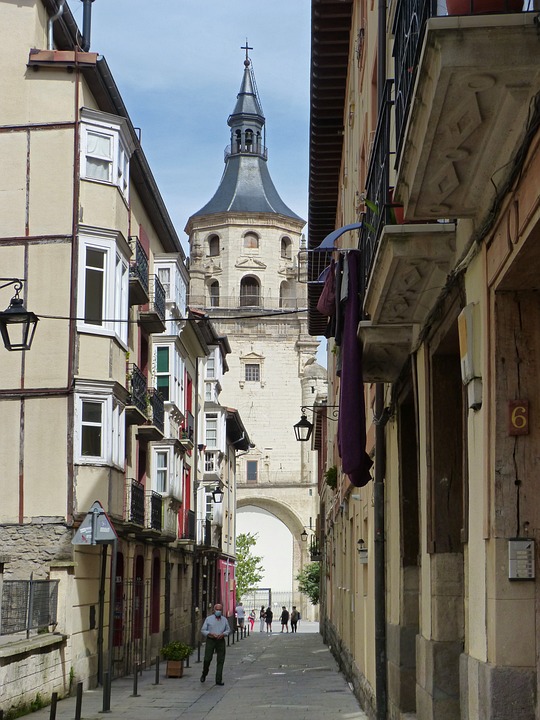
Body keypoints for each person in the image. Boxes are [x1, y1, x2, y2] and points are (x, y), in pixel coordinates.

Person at [200, 603, 231, 686]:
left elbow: (228, 630)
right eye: (217, 609)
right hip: (211, 640)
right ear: (214, 610)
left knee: (220, 660)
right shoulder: (208, 619)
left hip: (220, 640)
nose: (218, 611)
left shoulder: (224, 620)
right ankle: (204, 673)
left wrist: (223, 634)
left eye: (220, 610)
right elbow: (203, 630)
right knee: (207, 659)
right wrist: (210, 634)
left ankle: (218, 679)